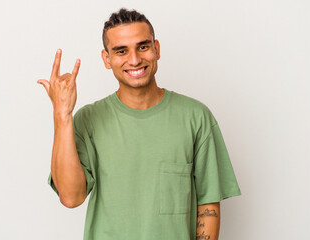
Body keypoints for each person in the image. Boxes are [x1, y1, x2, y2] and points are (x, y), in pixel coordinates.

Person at [37, 8, 241, 240]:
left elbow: (208, 207)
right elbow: (71, 198)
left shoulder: (196, 117)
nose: (134, 60)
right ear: (107, 59)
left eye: (143, 47)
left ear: (157, 49)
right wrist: (62, 114)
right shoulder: (88, 120)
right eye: (121, 51)